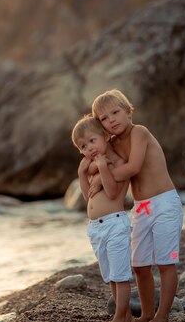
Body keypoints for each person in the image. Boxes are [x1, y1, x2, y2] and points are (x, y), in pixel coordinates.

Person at [91, 89, 183, 322]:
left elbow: (132, 168)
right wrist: (93, 170)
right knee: (140, 266)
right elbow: (93, 161)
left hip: (164, 203)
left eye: (115, 112)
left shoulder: (139, 133)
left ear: (128, 111)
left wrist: (104, 175)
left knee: (165, 262)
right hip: (141, 208)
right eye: (104, 118)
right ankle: (146, 314)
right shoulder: (110, 144)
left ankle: (162, 315)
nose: (111, 119)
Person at [72, 114, 133, 322]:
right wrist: (82, 175)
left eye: (92, 140)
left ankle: (118, 317)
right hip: (95, 228)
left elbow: (113, 192)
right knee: (111, 277)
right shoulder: (93, 166)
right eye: (83, 146)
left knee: (121, 275)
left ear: (105, 136)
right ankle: (124, 315)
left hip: (114, 223)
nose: (89, 148)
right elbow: (87, 195)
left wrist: (103, 167)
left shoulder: (116, 161)